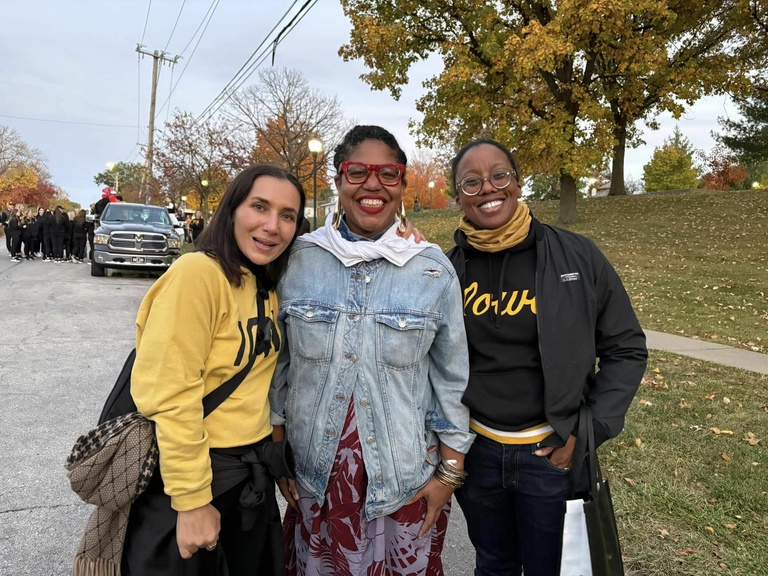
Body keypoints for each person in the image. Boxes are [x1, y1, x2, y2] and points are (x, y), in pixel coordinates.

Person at [271, 125, 474, 576]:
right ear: (339, 180)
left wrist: (450, 474)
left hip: (404, 482)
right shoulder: (298, 261)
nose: (372, 185)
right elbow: (279, 367)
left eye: (389, 173)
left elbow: (451, 380)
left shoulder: (431, 271)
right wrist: (277, 450)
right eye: (358, 171)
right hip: (315, 479)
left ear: (403, 184)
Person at [446, 139, 647, 576]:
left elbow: (626, 348)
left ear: (517, 184)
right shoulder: (448, 271)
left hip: (553, 456)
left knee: (552, 569)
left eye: (499, 175)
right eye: (472, 181)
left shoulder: (577, 255)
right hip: (478, 456)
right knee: (494, 564)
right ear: (457, 196)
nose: (488, 188)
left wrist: (587, 430)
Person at [121, 164, 306, 576]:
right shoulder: (197, 274)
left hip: (249, 482)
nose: (272, 226)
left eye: (288, 215)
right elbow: (170, 394)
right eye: (259, 206)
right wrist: (191, 501)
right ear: (232, 209)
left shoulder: (266, 283)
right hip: (197, 477)